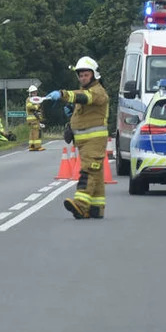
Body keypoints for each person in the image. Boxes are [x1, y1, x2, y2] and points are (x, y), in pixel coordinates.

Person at [48, 56, 110, 220]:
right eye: (80, 75)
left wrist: (63, 95)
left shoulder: (98, 92)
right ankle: (96, 208)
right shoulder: (86, 91)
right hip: (84, 142)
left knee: (88, 171)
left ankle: (81, 206)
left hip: (94, 141)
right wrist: (71, 115)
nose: (82, 78)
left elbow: (84, 97)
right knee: (96, 172)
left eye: (86, 75)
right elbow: (82, 107)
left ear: (94, 75)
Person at [25, 84, 46, 151]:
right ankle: (38, 146)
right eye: (34, 92)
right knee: (37, 132)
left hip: (33, 119)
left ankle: (32, 146)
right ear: (30, 93)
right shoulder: (29, 99)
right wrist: (36, 107)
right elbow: (29, 107)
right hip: (33, 119)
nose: (35, 93)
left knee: (32, 132)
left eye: (36, 92)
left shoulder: (34, 99)